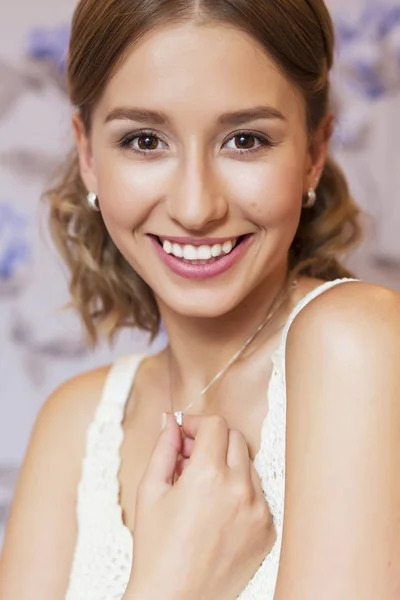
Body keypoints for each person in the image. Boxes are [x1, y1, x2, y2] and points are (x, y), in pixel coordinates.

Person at [1, 0, 400, 598]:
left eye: (244, 140)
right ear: (87, 154)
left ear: (314, 153)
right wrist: (172, 579)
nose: (195, 207)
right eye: (143, 140)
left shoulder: (357, 344)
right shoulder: (75, 425)